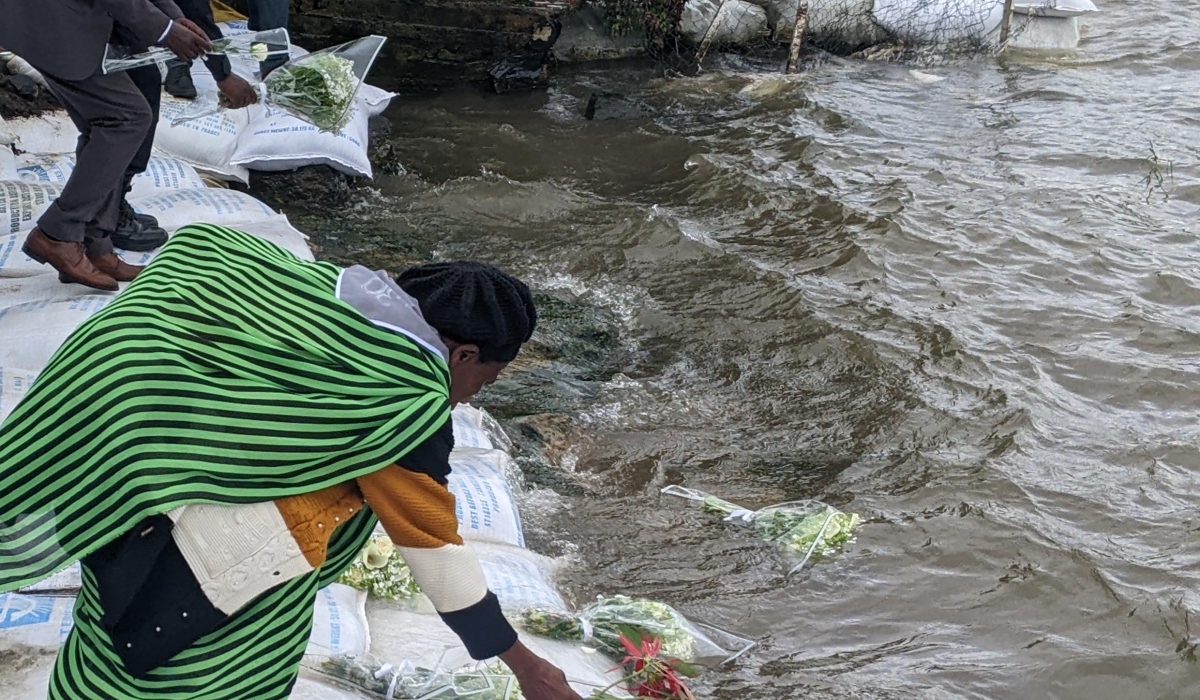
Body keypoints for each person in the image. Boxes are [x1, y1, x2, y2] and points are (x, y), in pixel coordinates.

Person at [0, 224, 584, 700]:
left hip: (143, 510)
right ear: (464, 353)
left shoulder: (316, 298)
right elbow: (432, 545)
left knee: (106, 652)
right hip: (221, 578)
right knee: (197, 679)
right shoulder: (399, 399)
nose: (475, 394)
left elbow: (197, 251)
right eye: (487, 377)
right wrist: (523, 663)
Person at [0, 0, 213, 291]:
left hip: (67, 19)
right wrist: (164, 30)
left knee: (104, 122)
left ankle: (94, 242)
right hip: (53, 20)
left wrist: (174, 18)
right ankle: (58, 233)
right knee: (126, 118)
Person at [113, 0, 259, 252]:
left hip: (108, 20)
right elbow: (192, 11)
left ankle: (111, 203)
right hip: (81, 24)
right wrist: (222, 74)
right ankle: (97, 218)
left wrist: (174, 24)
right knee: (128, 112)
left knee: (143, 86)